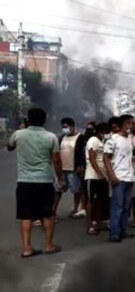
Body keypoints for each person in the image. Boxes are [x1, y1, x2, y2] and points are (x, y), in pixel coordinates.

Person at [8, 107, 63, 258]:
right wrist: (60, 177)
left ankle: (26, 248)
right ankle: (49, 245)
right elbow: (57, 160)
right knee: (47, 214)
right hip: (44, 181)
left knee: (26, 216)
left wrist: (21, 130)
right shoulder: (51, 137)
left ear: (28, 119)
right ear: (44, 120)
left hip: (24, 182)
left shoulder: (18, 134)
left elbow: (9, 147)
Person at [103, 116, 135, 243]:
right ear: (125, 124)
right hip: (119, 177)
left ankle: (123, 230)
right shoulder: (113, 139)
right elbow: (106, 158)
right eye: (131, 123)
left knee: (126, 207)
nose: (133, 126)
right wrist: (112, 176)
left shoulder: (129, 139)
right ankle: (114, 232)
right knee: (117, 206)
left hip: (129, 177)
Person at [55, 117, 85, 219]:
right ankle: (53, 210)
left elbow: (82, 153)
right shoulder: (62, 137)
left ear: (72, 126)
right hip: (62, 169)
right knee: (58, 189)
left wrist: (81, 166)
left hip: (74, 169)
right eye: (63, 127)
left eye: (66, 127)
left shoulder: (80, 137)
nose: (65, 129)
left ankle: (75, 208)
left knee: (76, 190)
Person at [84, 122, 110, 235]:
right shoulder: (93, 140)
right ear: (101, 131)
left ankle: (99, 223)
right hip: (92, 176)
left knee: (100, 201)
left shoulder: (101, 142)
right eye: (106, 132)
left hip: (102, 176)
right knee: (91, 201)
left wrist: (105, 175)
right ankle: (90, 226)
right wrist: (99, 173)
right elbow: (91, 158)